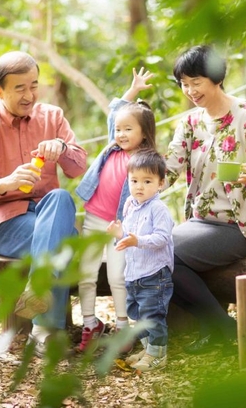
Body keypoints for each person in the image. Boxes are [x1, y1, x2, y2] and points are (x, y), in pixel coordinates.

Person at [0, 51, 87, 357]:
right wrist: (6, 183)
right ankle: (44, 331)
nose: (29, 95)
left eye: (34, 85)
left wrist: (63, 148)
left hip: (48, 214)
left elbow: (78, 167)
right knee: (64, 243)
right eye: (20, 89)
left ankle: (39, 304)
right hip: (5, 224)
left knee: (60, 197)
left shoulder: (52, 117)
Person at [164, 45, 246, 354]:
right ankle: (220, 327)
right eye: (184, 83)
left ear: (216, 78)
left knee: (164, 254)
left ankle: (224, 330)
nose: (190, 90)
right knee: (152, 250)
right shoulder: (190, 124)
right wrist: (135, 178)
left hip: (239, 226)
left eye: (197, 82)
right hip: (199, 224)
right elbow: (168, 171)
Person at [74, 68, 156, 352]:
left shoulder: (145, 160)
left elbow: (152, 190)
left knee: (116, 277)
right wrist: (132, 91)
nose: (120, 134)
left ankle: (122, 327)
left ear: (144, 134)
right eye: (119, 130)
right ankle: (89, 323)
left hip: (121, 225)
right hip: (95, 218)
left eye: (128, 129)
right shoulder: (113, 146)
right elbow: (114, 113)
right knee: (86, 272)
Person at [107, 150, 174, 372]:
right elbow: (129, 234)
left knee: (152, 316)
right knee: (138, 315)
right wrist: (120, 233)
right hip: (134, 273)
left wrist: (137, 241)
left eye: (147, 181)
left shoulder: (158, 208)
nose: (139, 186)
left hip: (154, 274)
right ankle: (147, 350)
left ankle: (158, 355)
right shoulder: (130, 205)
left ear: (161, 183)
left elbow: (162, 238)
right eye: (134, 180)